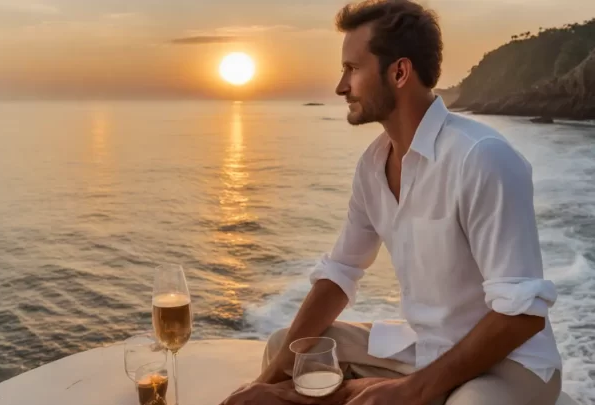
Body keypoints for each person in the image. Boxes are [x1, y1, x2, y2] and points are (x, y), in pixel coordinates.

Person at [220, 0, 563, 404]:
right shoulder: (373, 166)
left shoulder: (482, 157)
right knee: (289, 349)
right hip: (424, 347)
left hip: (510, 364)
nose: (340, 86)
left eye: (352, 68)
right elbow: (339, 276)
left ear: (399, 72)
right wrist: (268, 380)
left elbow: (522, 314)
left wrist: (409, 391)